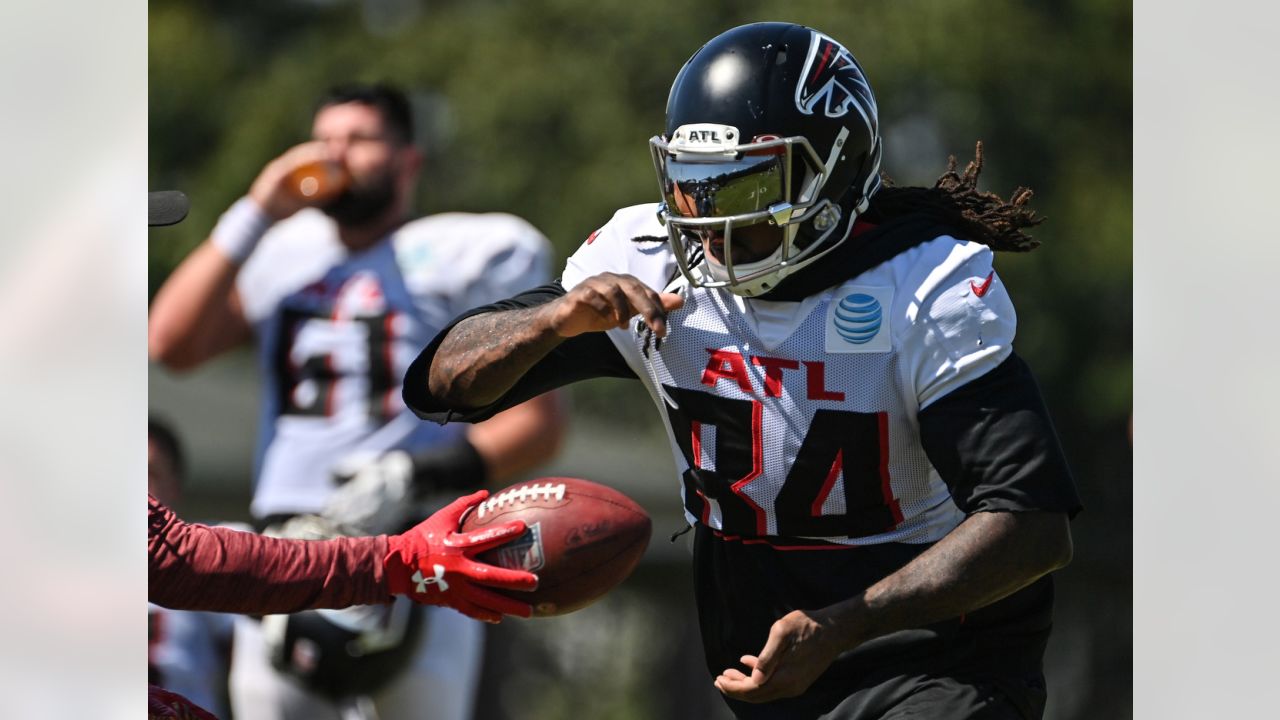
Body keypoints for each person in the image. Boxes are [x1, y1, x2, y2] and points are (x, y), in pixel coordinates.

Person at [404, 22, 1083, 720]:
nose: (707, 221)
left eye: (743, 184)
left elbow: (1031, 523)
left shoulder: (920, 286)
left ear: (833, 171)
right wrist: (550, 321)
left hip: (941, 657)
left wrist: (845, 622)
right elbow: (439, 386)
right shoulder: (652, 269)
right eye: (692, 186)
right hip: (771, 663)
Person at [148, 82, 564, 720]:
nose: (338, 155)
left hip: (419, 541)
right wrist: (256, 210)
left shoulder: (469, 252)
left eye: (362, 139)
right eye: (326, 140)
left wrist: (414, 473)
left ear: (409, 160)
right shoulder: (281, 251)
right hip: (283, 543)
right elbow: (170, 343)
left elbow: (536, 423)